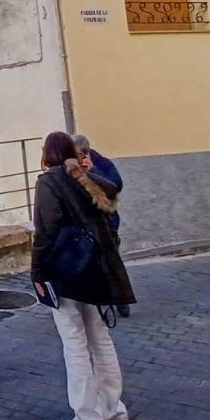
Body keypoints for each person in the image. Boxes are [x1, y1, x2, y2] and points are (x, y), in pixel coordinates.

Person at [31, 131, 136, 420]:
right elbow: (111, 197)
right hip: (96, 270)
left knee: (74, 345)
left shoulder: (49, 182)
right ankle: (115, 413)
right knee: (100, 340)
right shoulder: (88, 178)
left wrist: (36, 272)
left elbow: (44, 231)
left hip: (66, 272)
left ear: (47, 154)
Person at [73, 134, 130, 318]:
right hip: (86, 225)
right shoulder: (71, 165)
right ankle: (97, 305)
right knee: (91, 266)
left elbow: (116, 185)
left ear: (85, 152)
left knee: (113, 263)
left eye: (78, 154)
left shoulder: (101, 162)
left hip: (107, 223)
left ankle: (122, 300)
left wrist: (93, 170)